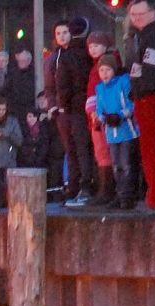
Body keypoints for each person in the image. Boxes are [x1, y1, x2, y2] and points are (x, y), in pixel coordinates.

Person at [125, 0, 155, 212]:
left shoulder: (153, 37)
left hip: (150, 98)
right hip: (149, 96)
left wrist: (139, 93)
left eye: (140, 14)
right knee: (151, 148)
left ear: (153, 13)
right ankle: (154, 195)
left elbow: (151, 73)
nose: (136, 18)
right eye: (133, 14)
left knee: (150, 149)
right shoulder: (145, 35)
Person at [56, 17, 96, 207]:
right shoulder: (91, 53)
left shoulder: (67, 56)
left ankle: (78, 187)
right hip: (94, 104)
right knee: (91, 148)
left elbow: (62, 85)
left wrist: (63, 105)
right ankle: (90, 185)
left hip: (74, 107)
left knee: (76, 149)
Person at [95, 54, 141, 210]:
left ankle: (128, 195)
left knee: (127, 163)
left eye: (108, 69)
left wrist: (121, 115)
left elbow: (132, 103)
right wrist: (104, 118)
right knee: (116, 165)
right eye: (101, 70)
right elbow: (99, 109)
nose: (105, 73)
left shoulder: (123, 82)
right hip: (111, 133)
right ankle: (120, 194)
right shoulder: (99, 88)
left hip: (126, 130)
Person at [85, 31, 118, 206]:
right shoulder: (96, 65)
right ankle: (104, 189)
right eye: (90, 46)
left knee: (105, 152)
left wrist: (95, 112)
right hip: (96, 115)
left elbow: (97, 92)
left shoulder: (104, 65)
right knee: (101, 152)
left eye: (96, 45)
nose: (93, 49)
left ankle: (107, 191)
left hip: (101, 116)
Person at [6, 49, 37, 123]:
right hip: (15, 109)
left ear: (29, 61)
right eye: (19, 60)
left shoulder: (34, 72)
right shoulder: (13, 73)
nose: (20, 63)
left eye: (23, 61)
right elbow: (7, 89)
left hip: (30, 109)